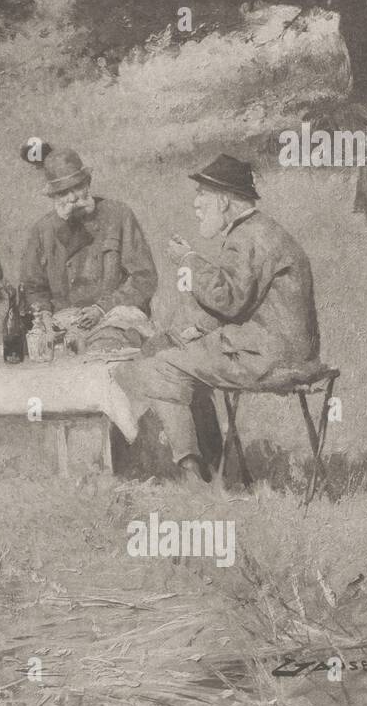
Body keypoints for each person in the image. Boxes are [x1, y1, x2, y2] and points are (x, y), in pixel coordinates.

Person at [118, 155, 320, 488]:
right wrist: (201, 329)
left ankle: (193, 475)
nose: (196, 205)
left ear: (223, 201)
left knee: (160, 366)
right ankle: (220, 469)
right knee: (175, 351)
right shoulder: (260, 230)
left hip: (269, 358)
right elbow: (249, 303)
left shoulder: (247, 237)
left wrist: (188, 260)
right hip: (280, 350)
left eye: (201, 194)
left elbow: (229, 300)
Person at [18, 144, 158, 349]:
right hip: (66, 322)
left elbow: (144, 278)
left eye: (77, 187)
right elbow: (33, 287)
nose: (72, 198)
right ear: (53, 197)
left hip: (114, 316)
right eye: (63, 193)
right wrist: (44, 316)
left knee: (107, 345)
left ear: (88, 182)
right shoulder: (43, 230)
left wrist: (101, 309)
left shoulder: (118, 215)